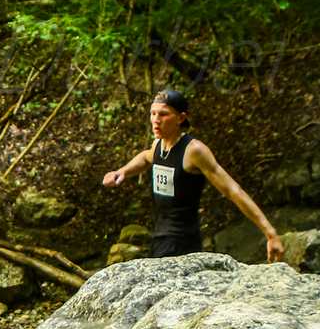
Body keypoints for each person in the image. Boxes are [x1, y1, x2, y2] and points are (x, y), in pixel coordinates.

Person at [102, 89, 284, 261]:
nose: (156, 120)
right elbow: (145, 157)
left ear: (181, 118)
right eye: (153, 113)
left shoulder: (193, 151)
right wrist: (122, 171)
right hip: (159, 237)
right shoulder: (158, 145)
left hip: (182, 242)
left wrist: (270, 234)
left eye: (163, 114)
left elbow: (232, 190)